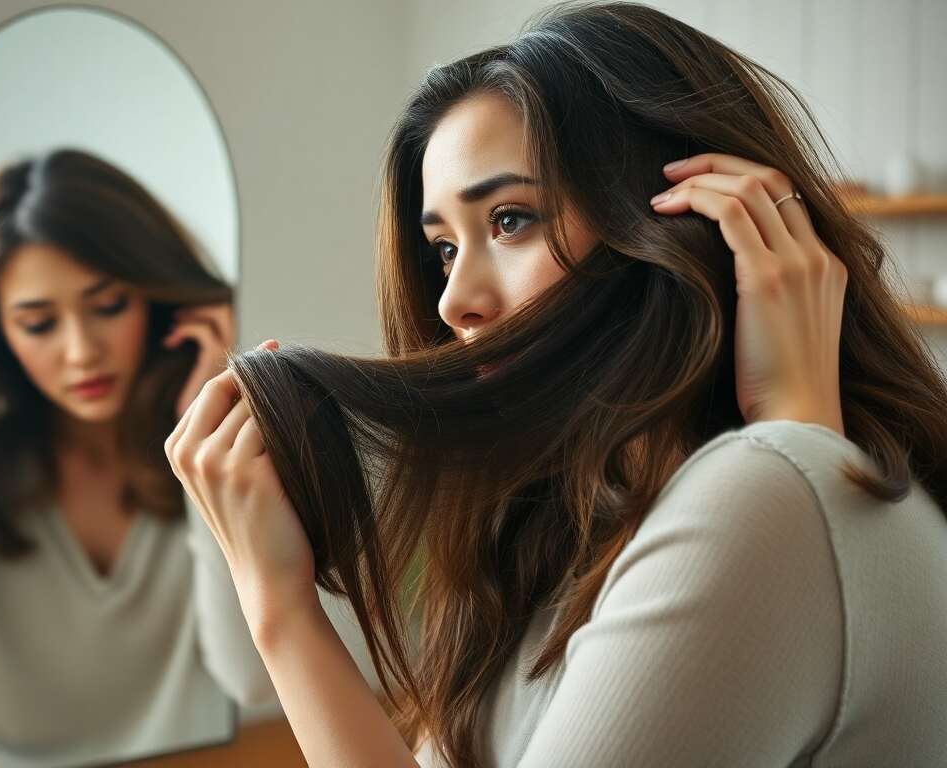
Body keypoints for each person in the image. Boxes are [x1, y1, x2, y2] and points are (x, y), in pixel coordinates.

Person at [165, 3, 947, 767]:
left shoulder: (775, 495)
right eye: (442, 248)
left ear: (687, 224)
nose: (451, 300)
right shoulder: (551, 547)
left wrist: (789, 447)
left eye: (509, 220)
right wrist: (277, 601)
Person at [0, 149, 273, 768]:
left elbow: (252, 680)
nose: (81, 352)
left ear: (158, 301)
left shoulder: (225, 463)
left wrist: (198, 437)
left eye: (108, 306)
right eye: (39, 323)